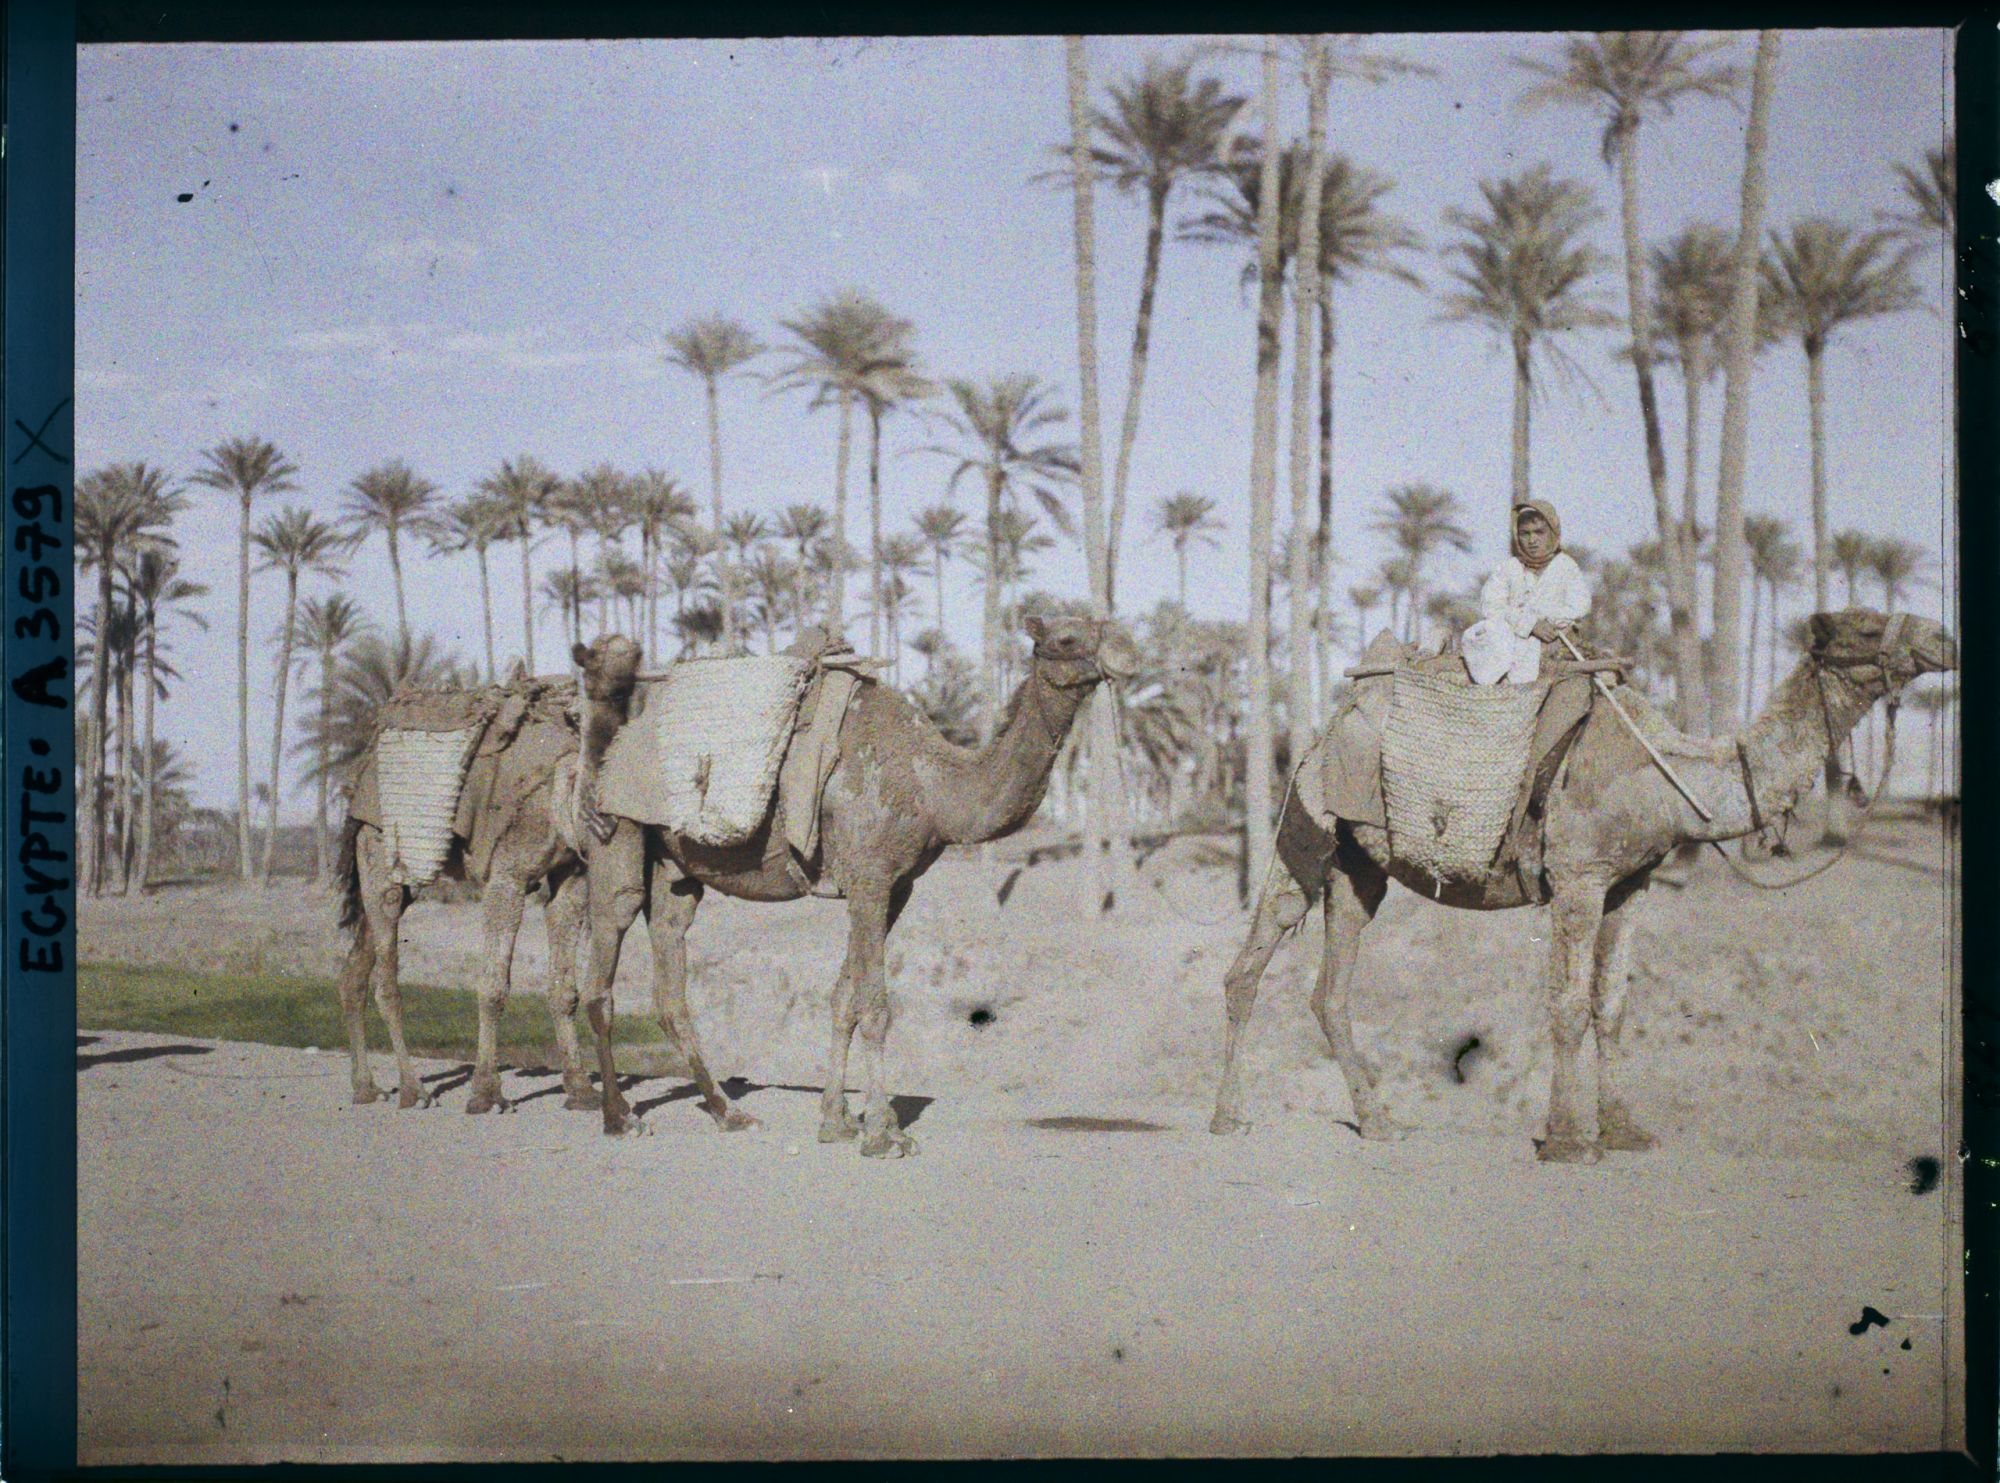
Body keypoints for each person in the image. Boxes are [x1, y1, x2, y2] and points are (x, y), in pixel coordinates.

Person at [1461, 500, 1590, 685]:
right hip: (1508, 641)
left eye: (1539, 532)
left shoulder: (1566, 567)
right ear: (1517, 536)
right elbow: (1491, 605)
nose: (1532, 540)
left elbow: (1579, 606)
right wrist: (1530, 624)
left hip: (1553, 641)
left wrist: (1549, 621)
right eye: (1525, 533)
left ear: (1552, 533)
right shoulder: (1508, 568)